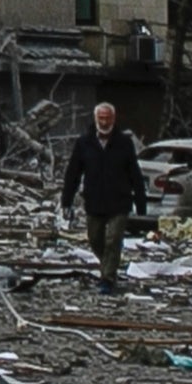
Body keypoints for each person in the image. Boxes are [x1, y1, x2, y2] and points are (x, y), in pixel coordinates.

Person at [63, 99, 149, 291]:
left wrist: (141, 203)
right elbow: (73, 173)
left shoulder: (124, 143)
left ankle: (107, 279)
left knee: (113, 239)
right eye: (101, 118)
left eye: (107, 118)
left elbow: (135, 173)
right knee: (95, 239)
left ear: (114, 119)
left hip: (119, 201)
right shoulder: (84, 143)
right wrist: (66, 201)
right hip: (94, 201)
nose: (104, 122)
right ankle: (109, 266)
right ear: (95, 119)